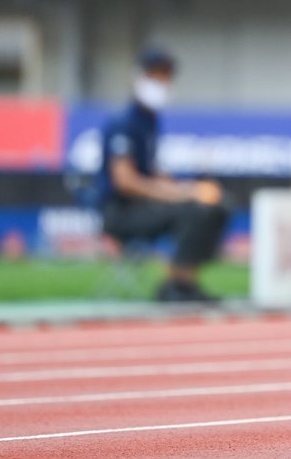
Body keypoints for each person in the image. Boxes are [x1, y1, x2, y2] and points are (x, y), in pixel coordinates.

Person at [96, 47, 228, 303]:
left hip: (144, 206)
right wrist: (180, 194)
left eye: (165, 77)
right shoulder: (123, 122)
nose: (161, 83)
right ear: (137, 78)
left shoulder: (150, 122)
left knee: (217, 205)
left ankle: (187, 281)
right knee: (195, 209)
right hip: (120, 212)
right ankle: (176, 284)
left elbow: (153, 173)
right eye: (154, 76)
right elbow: (126, 181)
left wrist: (187, 185)